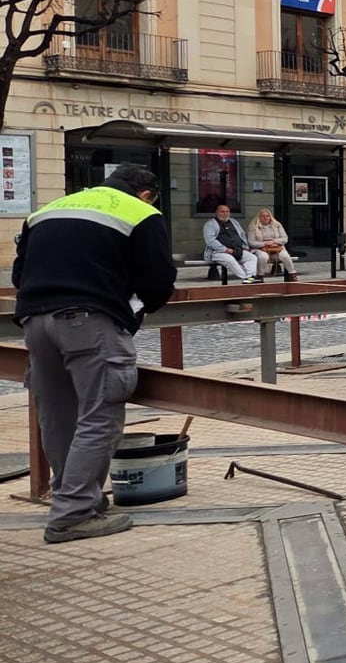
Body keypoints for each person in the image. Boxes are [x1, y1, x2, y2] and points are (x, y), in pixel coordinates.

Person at [11, 163, 177, 543]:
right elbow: (157, 281)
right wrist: (131, 309)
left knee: (57, 416)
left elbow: (19, 275)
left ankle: (73, 497)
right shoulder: (142, 212)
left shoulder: (48, 210)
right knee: (99, 416)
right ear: (147, 193)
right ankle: (73, 514)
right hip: (88, 322)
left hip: (35, 322)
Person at [202, 203, 258, 283]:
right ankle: (245, 278)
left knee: (252, 257)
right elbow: (210, 240)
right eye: (222, 212)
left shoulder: (234, 222)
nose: (225, 213)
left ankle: (250, 277)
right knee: (230, 260)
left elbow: (242, 235)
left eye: (227, 211)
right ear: (217, 212)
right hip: (218, 252)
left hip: (237, 250)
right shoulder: (210, 224)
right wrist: (225, 249)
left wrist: (244, 246)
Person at [250, 209, 297, 281]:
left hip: (276, 247)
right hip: (260, 249)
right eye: (263, 216)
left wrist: (274, 241)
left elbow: (285, 239)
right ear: (259, 217)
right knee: (263, 256)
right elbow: (251, 242)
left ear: (270, 217)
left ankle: (292, 274)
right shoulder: (253, 227)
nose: (266, 218)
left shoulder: (277, 225)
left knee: (285, 256)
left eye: (267, 216)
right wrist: (264, 243)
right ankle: (260, 276)